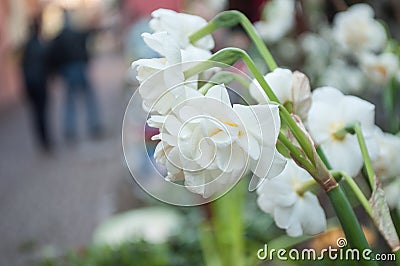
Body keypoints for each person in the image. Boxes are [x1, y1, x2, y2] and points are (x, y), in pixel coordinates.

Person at [48, 10, 102, 141]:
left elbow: (53, 54)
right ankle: (94, 125)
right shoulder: (76, 33)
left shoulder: (58, 37)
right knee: (88, 99)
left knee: (70, 101)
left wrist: (57, 70)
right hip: (78, 67)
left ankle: (70, 129)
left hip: (68, 70)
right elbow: (89, 36)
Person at [21, 16, 52, 151]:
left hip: (31, 83)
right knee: (42, 112)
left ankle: (42, 140)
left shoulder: (27, 46)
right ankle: (45, 141)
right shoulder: (40, 46)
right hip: (39, 83)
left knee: (36, 113)